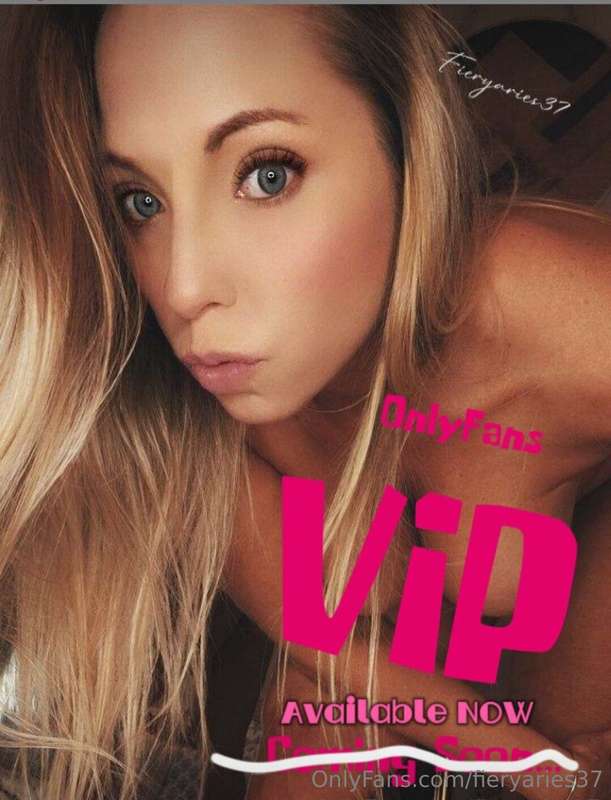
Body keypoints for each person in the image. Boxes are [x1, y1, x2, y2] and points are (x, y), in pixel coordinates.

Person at [0, 5, 609, 800]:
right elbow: (326, 641)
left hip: (566, 653)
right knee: (318, 712)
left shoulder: (564, 310)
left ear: (403, 141)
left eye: (267, 174)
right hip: (384, 682)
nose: (184, 287)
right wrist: (539, 770)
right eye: (139, 202)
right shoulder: (166, 388)